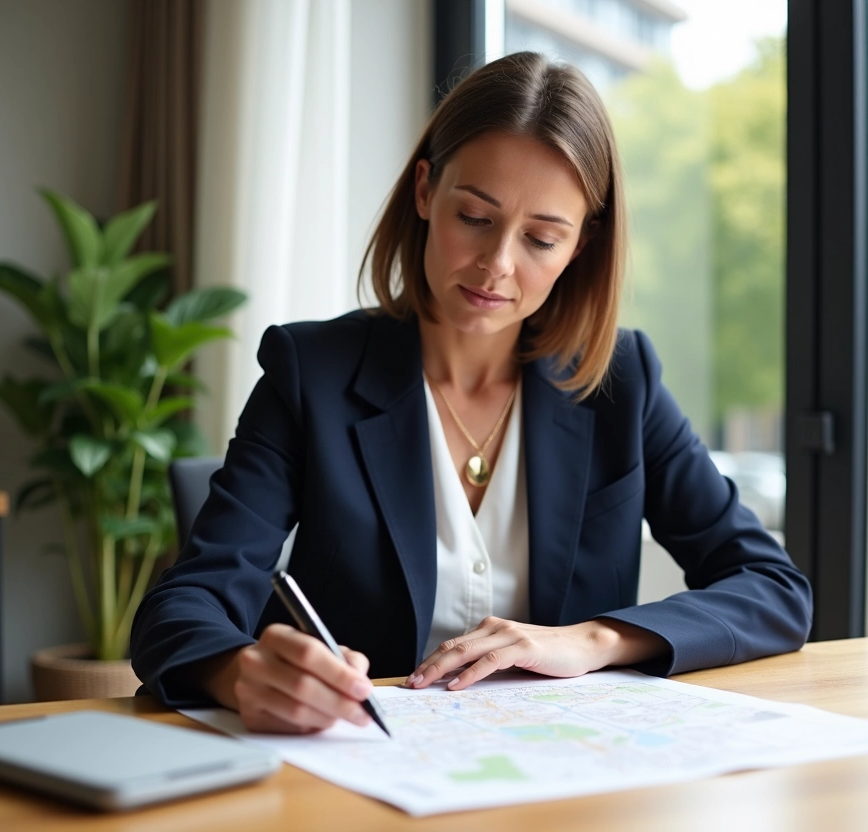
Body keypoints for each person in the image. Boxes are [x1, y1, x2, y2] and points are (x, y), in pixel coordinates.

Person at [131, 51, 811, 734]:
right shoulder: (312, 372)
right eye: (476, 218)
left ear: (581, 246)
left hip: (562, 770)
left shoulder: (621, 381)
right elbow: (182, 608)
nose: (497, 265)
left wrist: (592, 640)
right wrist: (242, 674)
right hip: (361, 766)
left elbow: (772, 588)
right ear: (426, 191)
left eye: (542, 238)